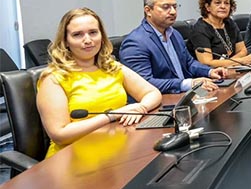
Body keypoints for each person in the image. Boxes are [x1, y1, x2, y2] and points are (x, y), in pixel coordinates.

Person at [37, 8, 162, 158]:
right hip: (70, 158)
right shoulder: (53, 78)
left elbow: (152, 93)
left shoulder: (111, 67)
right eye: (77, 34)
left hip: (114, 149)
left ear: (101, 36)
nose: (88, 40)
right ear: (65, 42)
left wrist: (140, 108)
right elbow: (60, 134)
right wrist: (112, 115)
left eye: (93, 32)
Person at [120, 0, 227, 94]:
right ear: (148, 10)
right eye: (166, 7)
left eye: (175, 7)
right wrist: (188, 84)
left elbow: (189, 63)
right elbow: (144, 83)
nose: (173, 12)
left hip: (185, 96)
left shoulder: (174, 34)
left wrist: (209, 71)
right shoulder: (135, 43)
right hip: (163, 101)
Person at [192, 0, 251, 67]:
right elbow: (207, 63)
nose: (223, 6)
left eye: (226, 3)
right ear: (208, 7)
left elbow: (243, 50)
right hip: (211, 73)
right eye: (218, 3)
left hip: (231, 69)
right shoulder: (200, 29)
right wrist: (241, 61)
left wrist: (231, 63)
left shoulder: (229, 23)